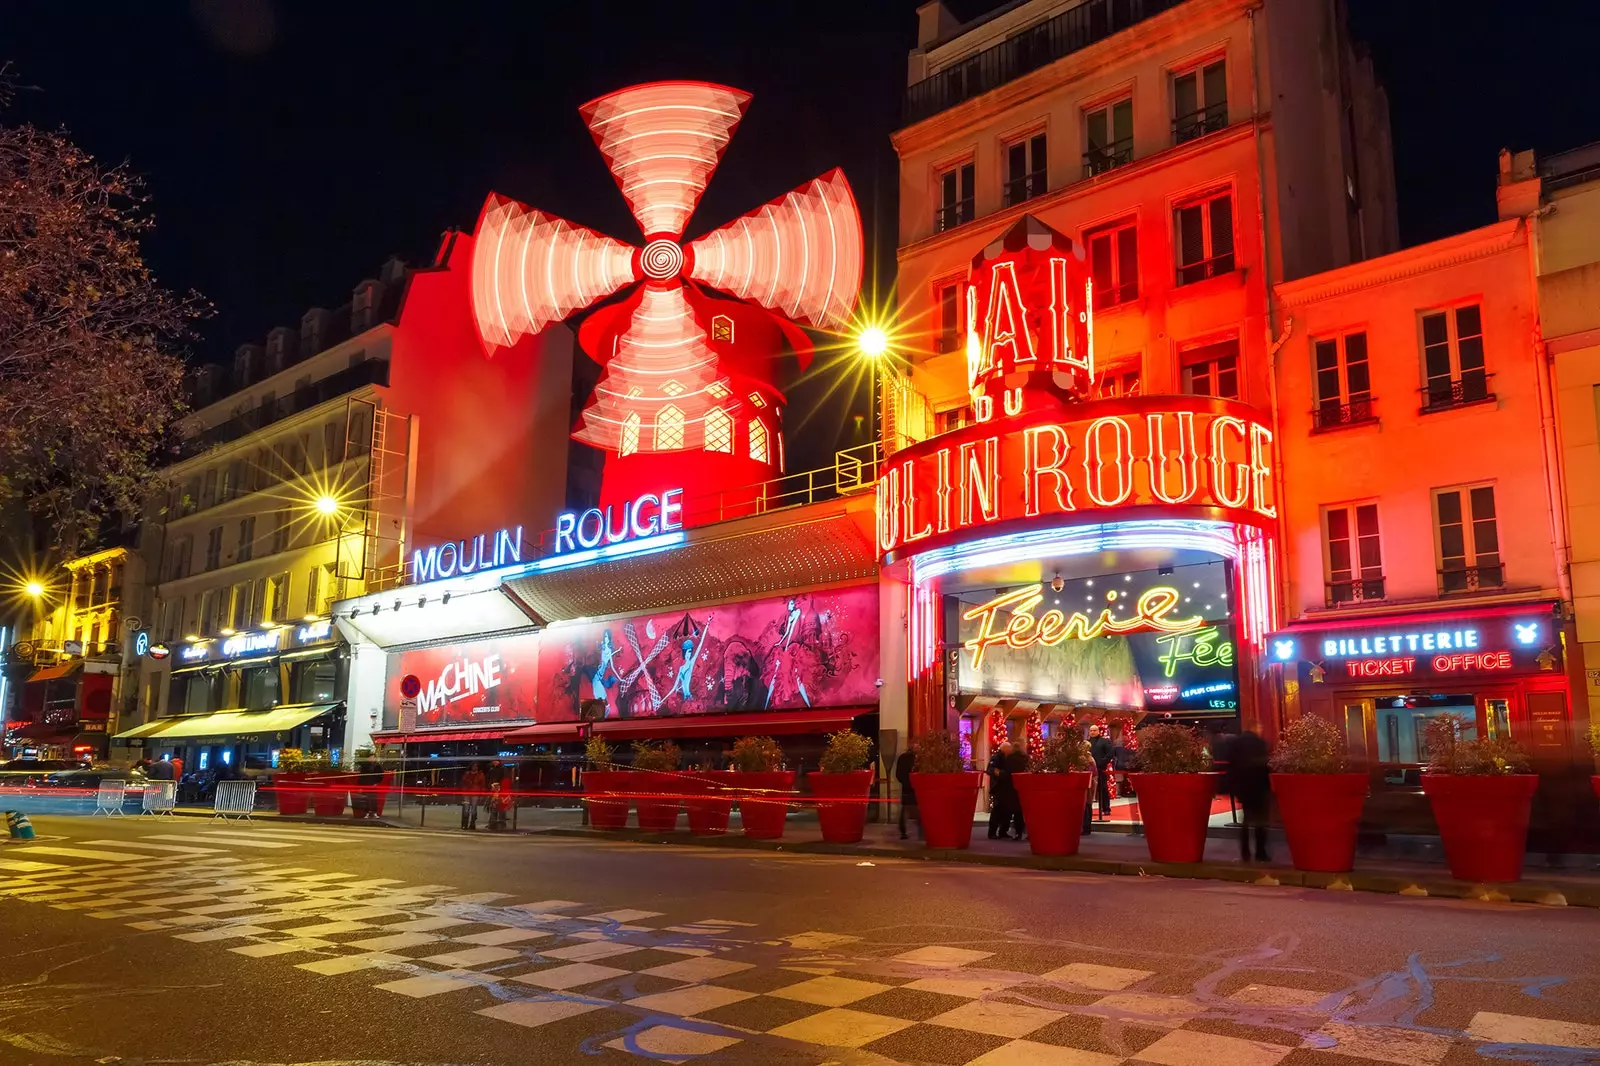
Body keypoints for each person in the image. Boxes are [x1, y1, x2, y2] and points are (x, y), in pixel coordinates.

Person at [1225, 730, 1272, 863]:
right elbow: (1265, 765)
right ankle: (1261, 852)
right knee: (1261, 821)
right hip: (1259, 786)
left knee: (1246, 821)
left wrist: (1234, 787)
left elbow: (1232, 766)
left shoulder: (1236, 744)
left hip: (1245, 787)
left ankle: (1245, 853)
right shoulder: (1260, 743)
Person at [986, 742, 1018, 840]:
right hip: (999, 788)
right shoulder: (996, 758)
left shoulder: (1009, 758)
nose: (1011, 750)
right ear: (1004, 749)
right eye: (1009, 748)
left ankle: (1003, 831)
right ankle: (992, 832)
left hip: (1008, 789)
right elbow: (990, 770)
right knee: (997, 811)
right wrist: (1001, 774)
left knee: (1007, 812)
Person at [1002, 742, 1028, 839]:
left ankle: (1018, 832)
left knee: (1016, 811)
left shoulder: (1010, 759)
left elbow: (1008, 773)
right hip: (1024, 787)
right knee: (1024, 811)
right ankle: (1028, 832)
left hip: (1012, 787)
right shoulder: (1025, 758)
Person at [1089, 725, 1115, 820]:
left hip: (1101, 769)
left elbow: (1110, 754)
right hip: (1090, 770)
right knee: (1089, 791)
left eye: (1094, 730)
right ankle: (1088, 810)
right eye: (1091, 730)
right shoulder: (1087, 743)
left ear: (1098, 731)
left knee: (1103, 788)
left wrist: (1101, 763)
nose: (1092, 732)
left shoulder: (1105, 742)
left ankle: (1106, 808)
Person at [894, 748, 918, 840]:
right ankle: (922, 830)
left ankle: (903, 832)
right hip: (915, 787)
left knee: (905, 809)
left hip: (906, 787)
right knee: (917, 809)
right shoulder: (916, 759)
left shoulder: (902, 757)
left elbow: (898, 775)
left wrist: (905, 782)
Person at [353, 754, 384, 820]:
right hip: (366, 785)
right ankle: (367, 813)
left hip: (373, 785)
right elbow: (361, 776)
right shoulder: (365, 767)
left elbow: (381, 776)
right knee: (366, 799)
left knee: (373, 799)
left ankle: (374, 813)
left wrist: (376, 783)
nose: (371, 759)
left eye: (372, 757)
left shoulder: (378, 766)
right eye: (370, 757)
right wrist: (361, 786)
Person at [460, 762, 486, 830]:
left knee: (474, 810)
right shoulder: (467, 774)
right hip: (467, 793)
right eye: (473, 766)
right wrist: (463, 791)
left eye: (476, 766)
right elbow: (463, 783)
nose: (474, 767)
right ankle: (465, 824)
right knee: (466, 810)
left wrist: (482, 794)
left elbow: (483, 785)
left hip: (475, 793)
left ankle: (472, 824)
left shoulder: (480, 774)